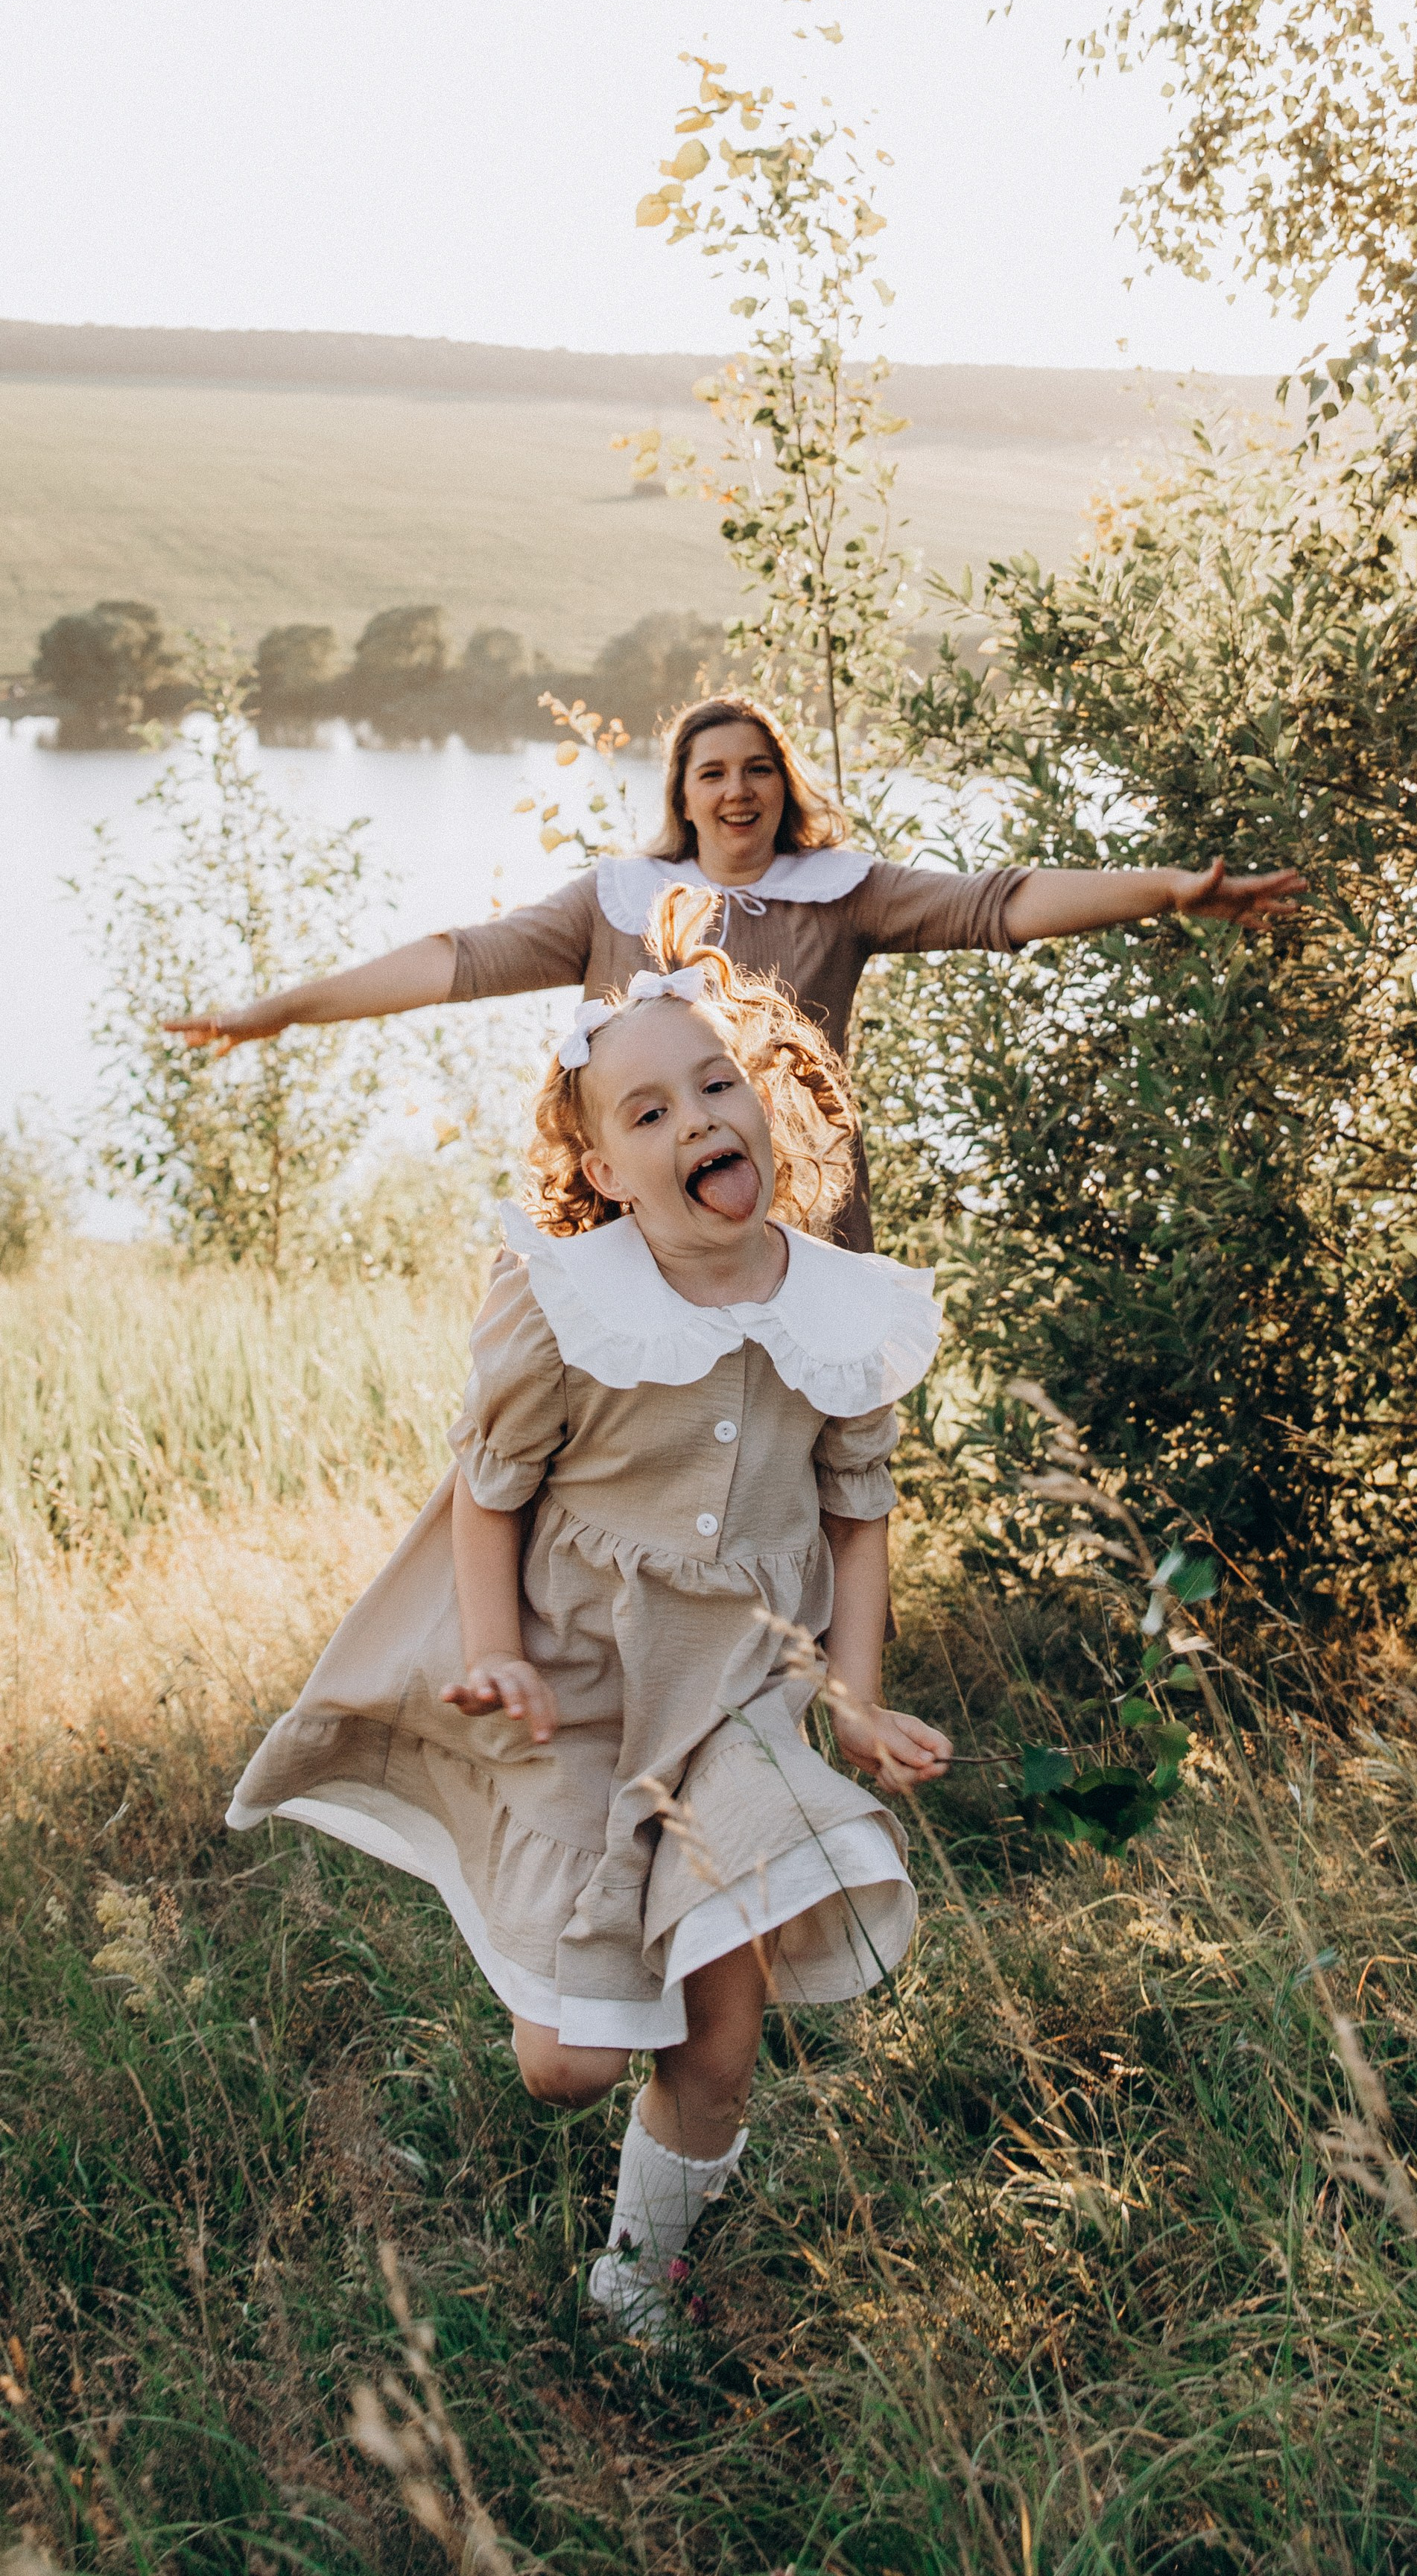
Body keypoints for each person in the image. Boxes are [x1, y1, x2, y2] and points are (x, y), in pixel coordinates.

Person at [227, 888, 953, 2335]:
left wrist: (857, 1696)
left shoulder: (842, 1309)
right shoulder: (569, 1301)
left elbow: (858, 1514)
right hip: (578, 1684)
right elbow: (489, 1493)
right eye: (644, 1113)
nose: (691, 1121)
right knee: (563, 2061)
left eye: (712, 1086)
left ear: (762, 1101)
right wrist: (493, 1651)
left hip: (744, 1697)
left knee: (719, 2027)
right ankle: (560, 1977)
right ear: (607, 1169)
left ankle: (640, 2281)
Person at [169, 692, 1307, 1249]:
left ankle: (823, 1697)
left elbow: (1001, 900)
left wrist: (1168, 888)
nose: (737, 790)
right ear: (684, 793)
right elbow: (449, 961)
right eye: (712, 771)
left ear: (780, 783)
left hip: (803, 1219)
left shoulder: (844, 890)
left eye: (757, 768)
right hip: (644, 1228)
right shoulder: (611, 903)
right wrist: (279, 1012)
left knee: (811, 1472)